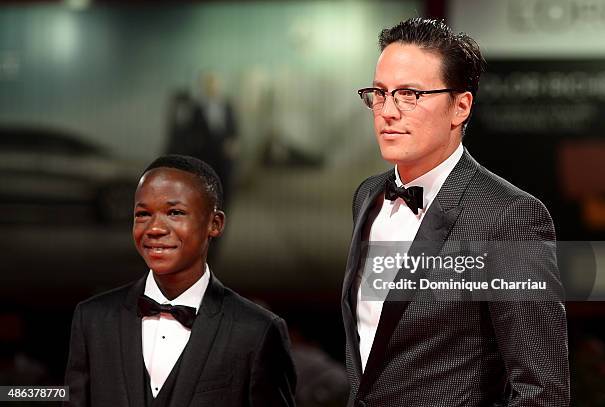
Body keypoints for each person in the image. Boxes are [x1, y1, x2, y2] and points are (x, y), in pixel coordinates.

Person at [341, 18, 569, 406]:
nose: (388, 111)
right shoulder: (368, 196)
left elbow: (542, 390)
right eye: (380, 93)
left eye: (410, 95)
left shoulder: (508, 216)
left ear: (460, 106)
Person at [64, 155, 296, 407]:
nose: (154, 228)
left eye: (174, 212)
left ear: (214, 224)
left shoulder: (257, 330)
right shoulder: (93, 319)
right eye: (143, 214)